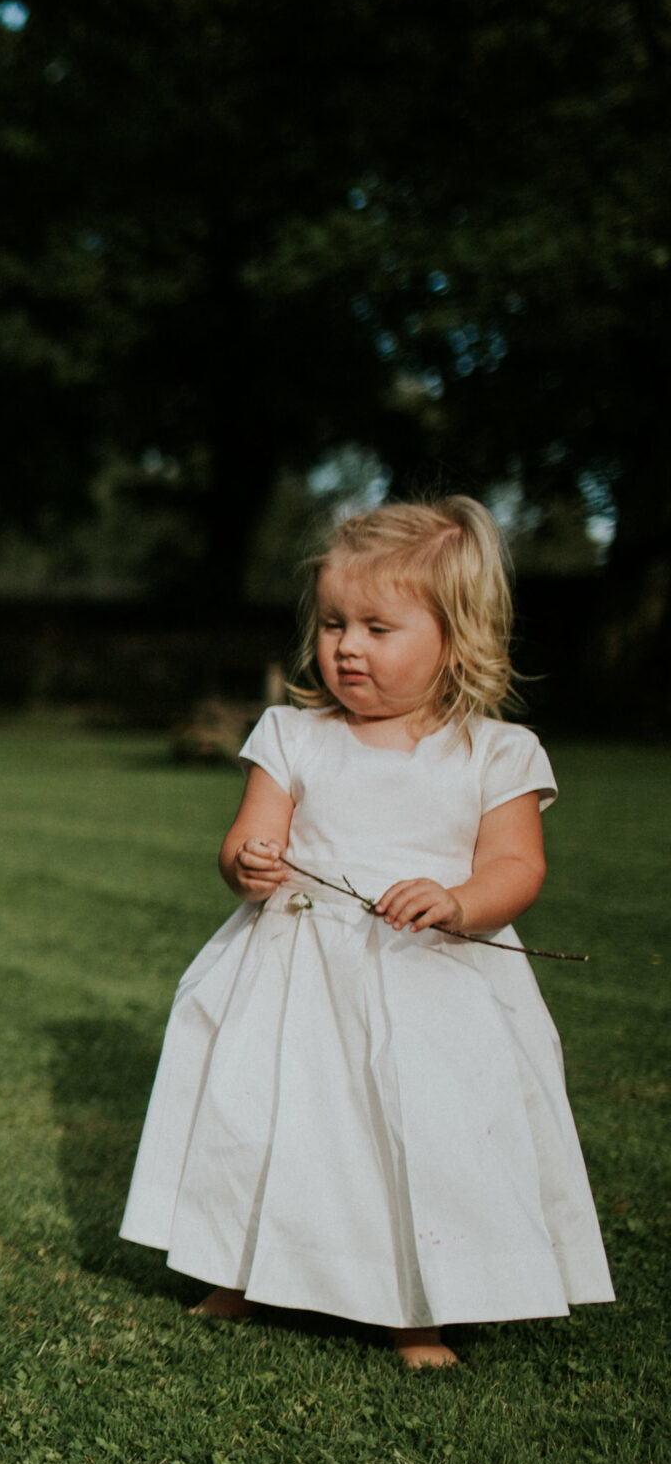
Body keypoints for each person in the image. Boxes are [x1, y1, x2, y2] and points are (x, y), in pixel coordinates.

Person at [118, 497, 611, 1370]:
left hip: (427, 981)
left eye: (379, 627)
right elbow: (246, 838)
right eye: (335, 623)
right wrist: (251, 862)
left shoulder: (496, 753)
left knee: (416, 1133)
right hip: (294, 973)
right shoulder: (294, 734)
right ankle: (241, 1266)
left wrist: (461, 900)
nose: (347, 646)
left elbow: (515, 867)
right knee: (271, 1120)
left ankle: (416, 1304)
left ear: (455, 638)